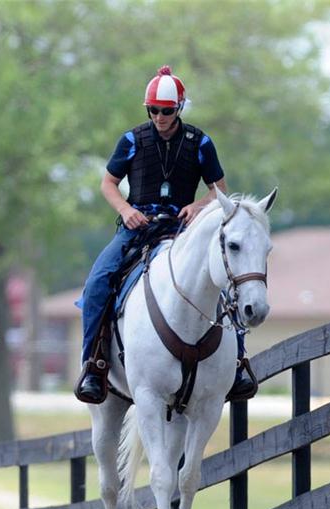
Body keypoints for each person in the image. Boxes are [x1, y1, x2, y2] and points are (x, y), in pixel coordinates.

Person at [74, 65, 257, 404]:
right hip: (137, 228)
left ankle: (238, 361)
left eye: (167, 110)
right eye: (154, 110)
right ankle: (94, 365)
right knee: (98, 281)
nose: (159, 116)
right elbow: (108, 183)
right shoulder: (131, 139)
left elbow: (220, 189)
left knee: (221, 278)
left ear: (179, 109)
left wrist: (201, 205)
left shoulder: (200, 142)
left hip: (182, 230)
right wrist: (126, 211)